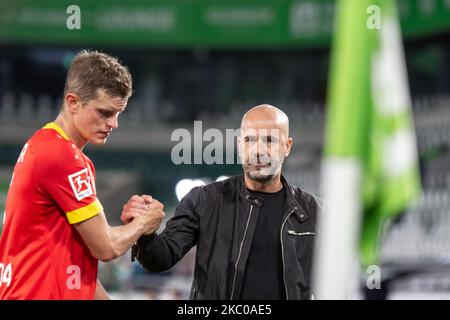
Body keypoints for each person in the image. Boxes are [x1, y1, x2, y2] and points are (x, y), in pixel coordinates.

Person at [0, 50, 165, 300]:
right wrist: (145, 222)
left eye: (118, 114)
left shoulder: (51, 148)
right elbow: (106, 247)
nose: (113, 124)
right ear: (73, 102)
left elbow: (76, 271)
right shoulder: (60, 155)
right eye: (104, 113)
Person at [126, 104, 320, 300]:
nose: (259, 150)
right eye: (249, 140)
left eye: (269, 140)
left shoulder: (315, 212)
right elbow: (161, 258)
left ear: (287, 146)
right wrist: (144, 232)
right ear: (239, 145)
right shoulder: (204, 201)